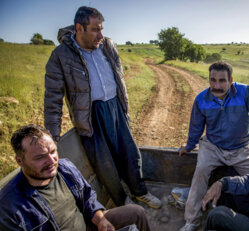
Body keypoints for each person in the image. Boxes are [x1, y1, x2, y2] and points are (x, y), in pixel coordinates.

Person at [44, 6, 161, 208]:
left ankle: (140, 192)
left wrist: (124, 108)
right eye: (95, 29)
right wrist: (52, 138)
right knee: (105, 165)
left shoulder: (107, 45)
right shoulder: (61, 55)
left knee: (130, 154)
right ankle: (123, 202)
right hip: (90, 117)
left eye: (102, 29)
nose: (101, 34)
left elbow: (119, 78)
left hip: (115, 108)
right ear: (79, 28)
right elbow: (53, 98)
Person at [177, 60, 249, 231]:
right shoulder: (202, 99)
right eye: (213, 80)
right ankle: (192, 221)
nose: (216, 86)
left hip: (242, 148)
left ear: (231, 80)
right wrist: (189, 145)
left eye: (222, 81)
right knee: (200, 171)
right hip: (213, 146)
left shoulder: (246, 93)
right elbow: (196, 126)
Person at [0, 124, 154, 231]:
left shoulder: (65, 168)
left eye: (53, 151)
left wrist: (100, 220)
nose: (51, 161)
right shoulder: (9, 207)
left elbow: (88, 198)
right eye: (40, 157)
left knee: (136, 213)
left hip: (91, 229)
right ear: (20, 161)